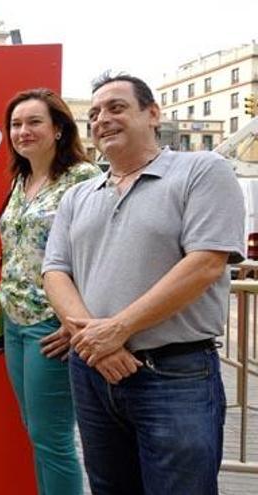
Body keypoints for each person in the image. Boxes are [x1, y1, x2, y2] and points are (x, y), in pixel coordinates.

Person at [43, 73, 244, 494]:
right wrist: (97, 344)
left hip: (174, 375)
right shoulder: (79, 195)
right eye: (95, 114)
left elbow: (206, 263)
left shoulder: (202, 171)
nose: (102, 120)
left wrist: (118, 330)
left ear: (153, 114)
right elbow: (55, 271)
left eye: (117, 108)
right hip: (94, 372)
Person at [0, 88, 99, 495]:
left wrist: (77, 321)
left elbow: (99, 253)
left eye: (34, 122)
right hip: (15, 320)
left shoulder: (83, 179)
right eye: (16, 124)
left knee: (52, 438)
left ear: (58, 128)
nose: (23, 131)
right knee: (36, 432)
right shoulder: (22, 179)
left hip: (52, 326)